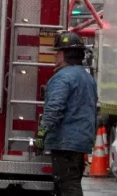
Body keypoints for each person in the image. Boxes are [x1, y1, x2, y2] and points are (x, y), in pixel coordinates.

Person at [34, 31, 97, 196]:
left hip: (65, 143)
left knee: (68, 186)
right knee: (71, 182)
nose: (56, 56)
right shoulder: (87, 77)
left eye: (58, 52)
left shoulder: (62, 78)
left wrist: (41, 134)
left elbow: (54, 109)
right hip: (80, 140)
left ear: (66, 54)